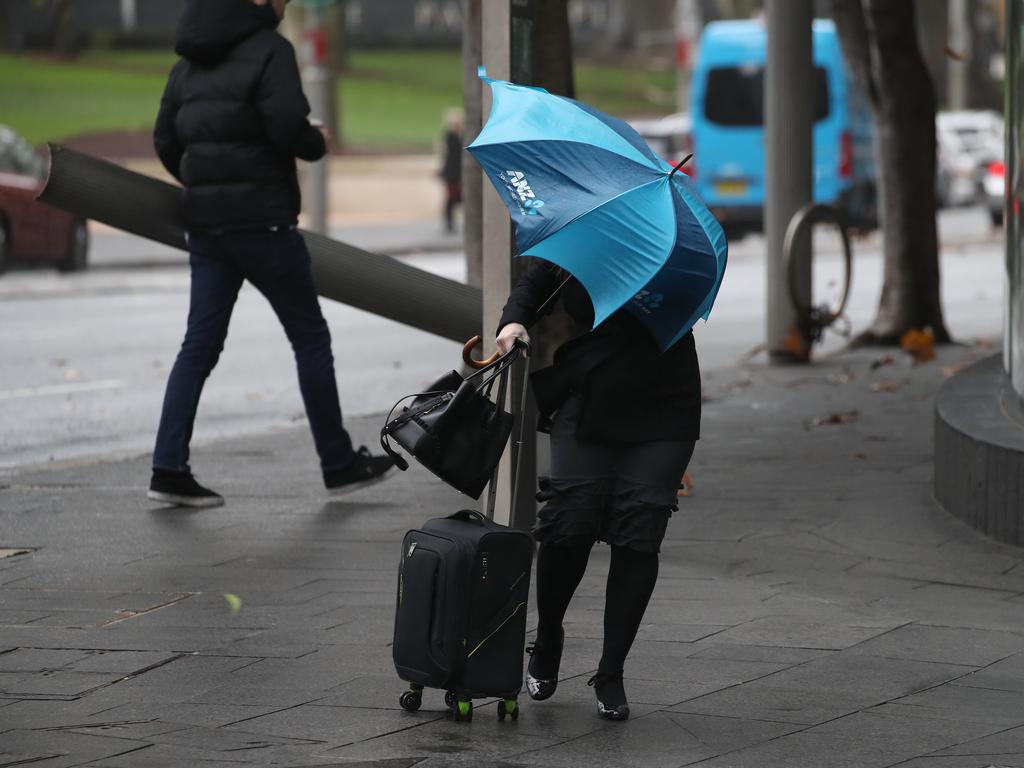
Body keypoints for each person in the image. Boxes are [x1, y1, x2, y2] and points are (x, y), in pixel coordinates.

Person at [148, 0, 394, 508]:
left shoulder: (187, 61)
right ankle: (338, 464)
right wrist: (317, 141)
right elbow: (286, 128)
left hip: (208, 229)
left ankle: (168, 468)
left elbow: (165, 140)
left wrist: (206, 184)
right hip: (264, 225)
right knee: (309, 338)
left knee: (198, 345)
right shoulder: (271, 51)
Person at [494, 261, 700, 721]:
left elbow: (688, 304)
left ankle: (611, 672)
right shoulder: (591, 233)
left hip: (667, 401)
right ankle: (548, 638)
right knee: (569, 524)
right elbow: (538, 280)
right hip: (588, 390)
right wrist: (514, 320)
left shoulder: (673, 246)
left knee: (638, 533)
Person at [439, 109, 463, 234]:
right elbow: (455, 155)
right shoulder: (452, 137)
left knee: (454, 198)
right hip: (453, 173)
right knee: (453, 198)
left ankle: (449, 222)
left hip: (453, 173)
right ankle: (449, 222)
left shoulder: (454, 136)